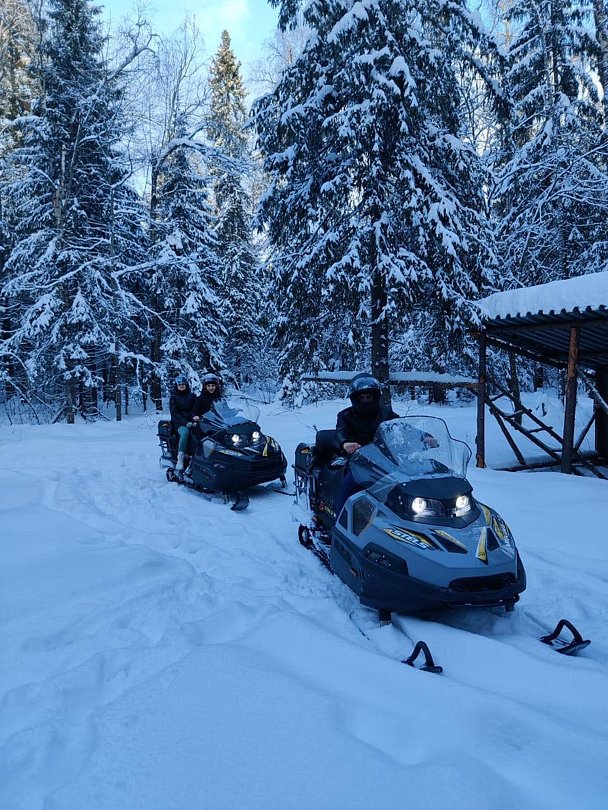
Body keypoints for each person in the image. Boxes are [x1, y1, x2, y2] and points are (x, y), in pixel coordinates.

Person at [334, 373, 399, 515]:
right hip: (359, 463)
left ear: (375, 397)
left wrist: (423, 437)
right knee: (348, 485)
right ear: (355, 399)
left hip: (386, 461)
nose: (366, 401)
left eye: (369, 397)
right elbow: (340, 432)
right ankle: (340, 520)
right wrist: (346, 443)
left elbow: (401, 427)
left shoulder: (386, 414)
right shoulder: (346, 416)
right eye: (361, 398)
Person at [175, 373, 222, 471]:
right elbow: (195, 410)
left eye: (212, 385)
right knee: (198, 439)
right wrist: (195, 416)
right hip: (202, 425)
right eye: (208, 386)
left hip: (217, 424)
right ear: (205, 387)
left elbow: (225, 410)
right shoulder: (200, 398)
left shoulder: (219, 398)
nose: (211, 388)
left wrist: (235, 411)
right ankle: (189, 461)